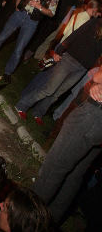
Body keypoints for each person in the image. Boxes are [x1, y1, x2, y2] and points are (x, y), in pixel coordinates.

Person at [33, 67, 102, 222]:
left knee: (54, 167)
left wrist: (98, 82)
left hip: (93, 115)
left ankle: (25, 217)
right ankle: (49, 222)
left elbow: (98, 76)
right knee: (75, 174)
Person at [15, 17, 102, 124]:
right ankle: (22, 105)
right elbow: (77, 33)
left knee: (57, 94)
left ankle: (38, 112)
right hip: (70, 59)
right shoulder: (96, 22)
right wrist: (60, 49)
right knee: (49, 89)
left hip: (82, 68)